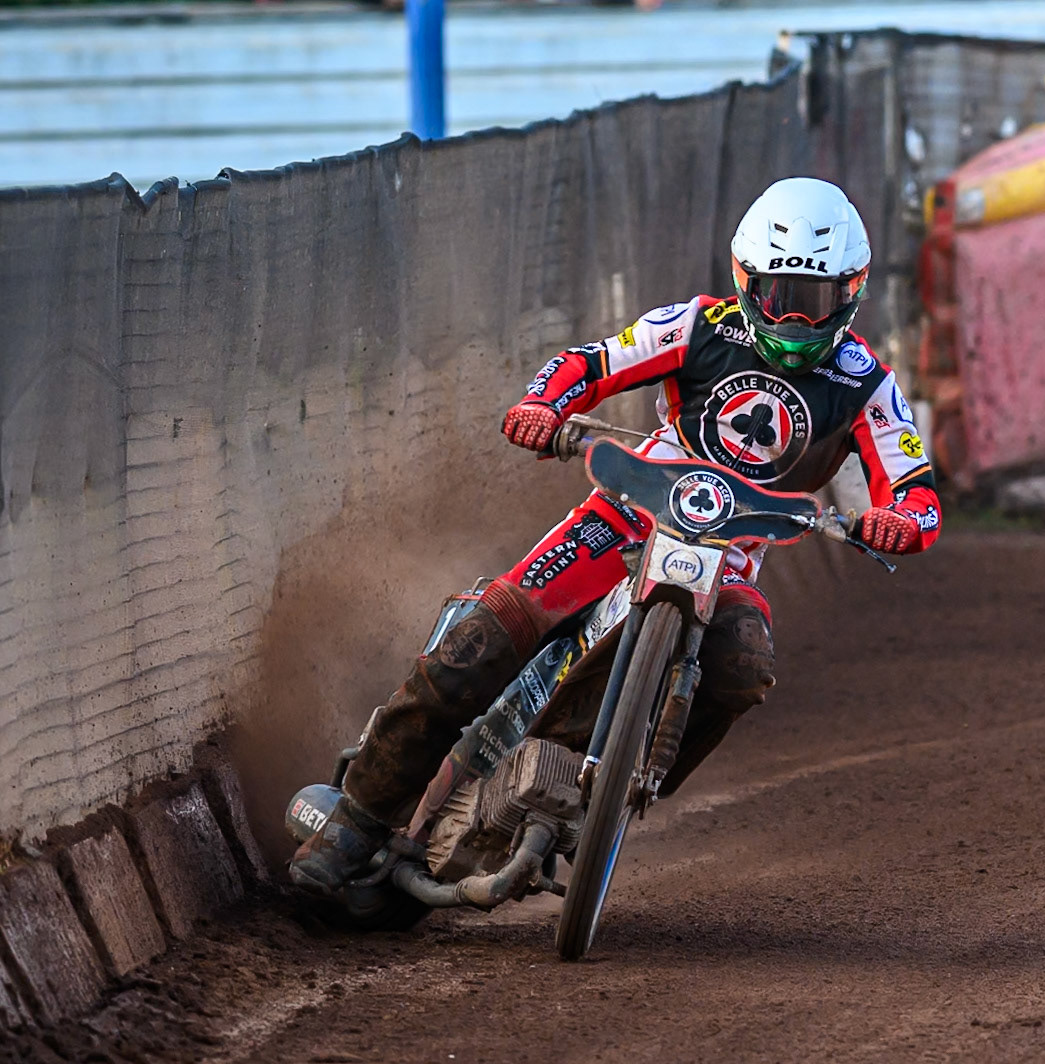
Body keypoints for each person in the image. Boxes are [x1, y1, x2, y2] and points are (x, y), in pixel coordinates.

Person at [290, 176, 941, 893]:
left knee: (744, 662)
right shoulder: (698, 326)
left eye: (815, 301)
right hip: (626, 516)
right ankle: (358, 818)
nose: (795, 320)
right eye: (780, 295)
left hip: (730, 559)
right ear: (745, 280)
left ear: (851, 293)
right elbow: (590, 363)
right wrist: (542, 406)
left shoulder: (868, 386)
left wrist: (899, 522)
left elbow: (916, 493)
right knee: (484, 634)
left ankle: (615, 789)